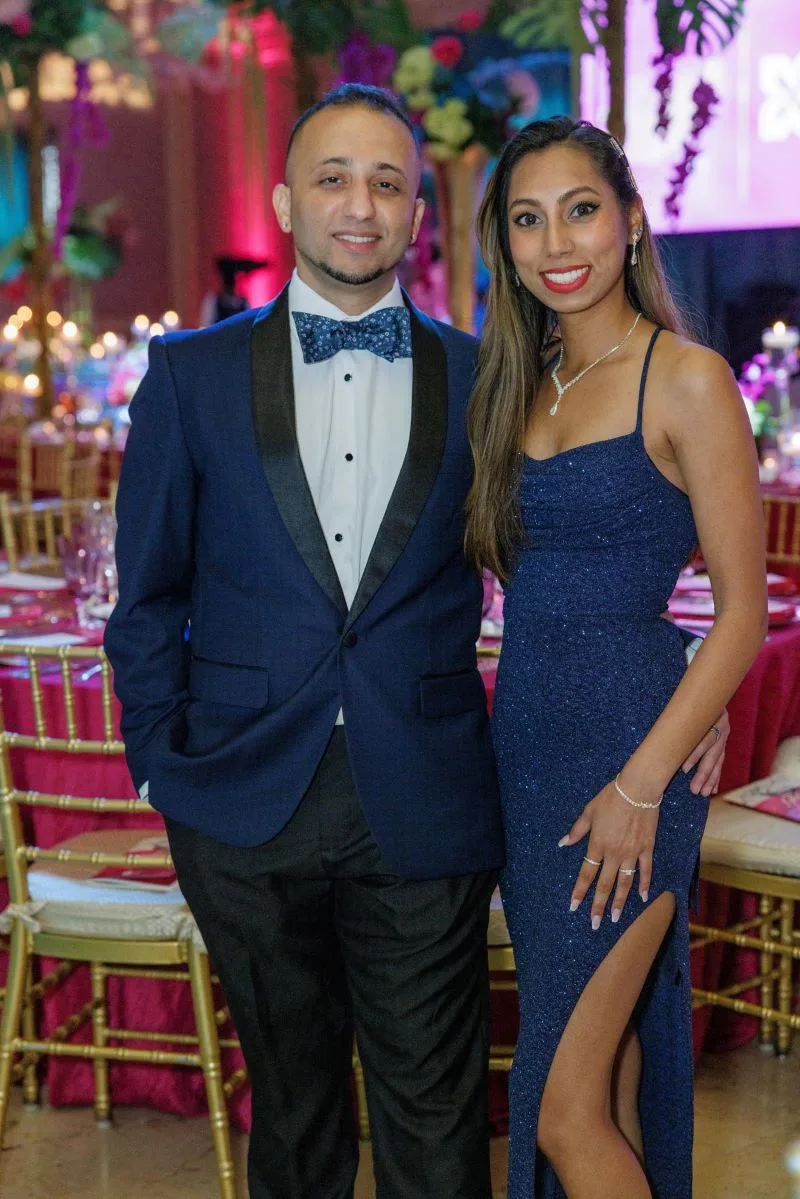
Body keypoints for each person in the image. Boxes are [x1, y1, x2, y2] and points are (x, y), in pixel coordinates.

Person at [105, 88, 729, 1199]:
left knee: (441, 1122)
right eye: (334, 179)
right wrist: (162, 766)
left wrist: (683, 685)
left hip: (431, 799)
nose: (361, 204)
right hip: (244, 802)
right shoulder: (191, 374)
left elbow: (604, 544)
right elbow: (145, 596)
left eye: (387, 183)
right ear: (284, 203)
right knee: (291, 1113)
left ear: (417, 216)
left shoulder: (483, 376)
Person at [466, 116, 766, 1199]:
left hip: (629, 765)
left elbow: (741, 614)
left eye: (581, 209)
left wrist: (644, 784)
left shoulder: (686, 378)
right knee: (609, 1077)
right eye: (527, 218)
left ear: (631, 221)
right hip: (528, 752)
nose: (557, 241)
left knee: (560, 1109)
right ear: (503, 243)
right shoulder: (518, 378)